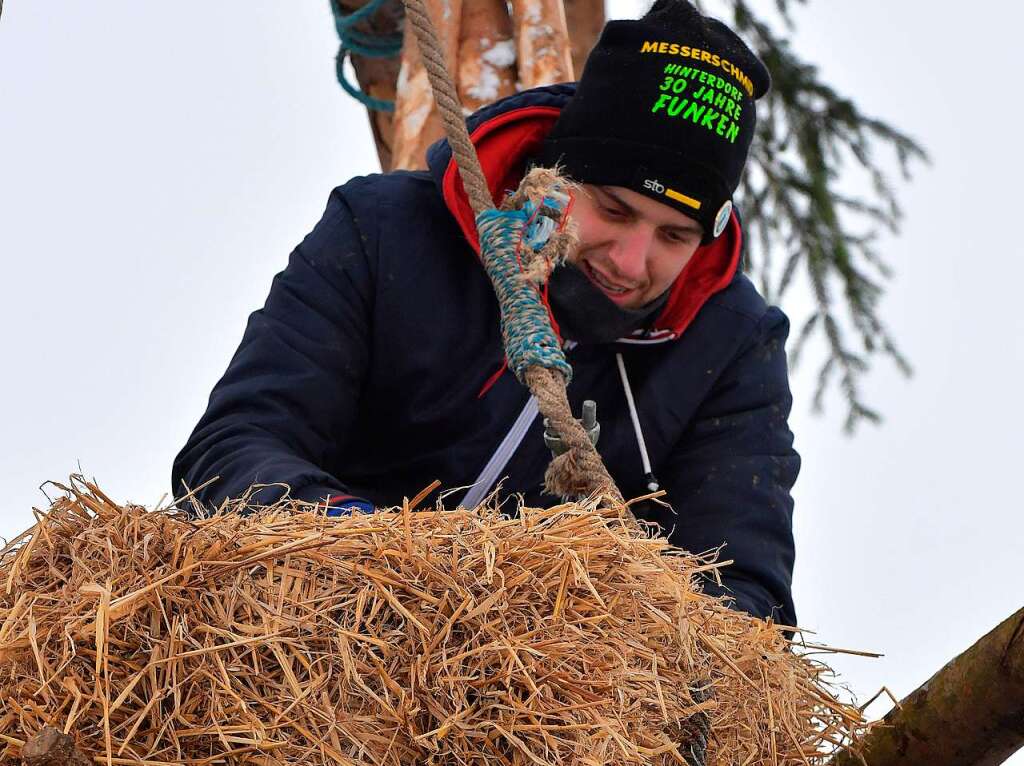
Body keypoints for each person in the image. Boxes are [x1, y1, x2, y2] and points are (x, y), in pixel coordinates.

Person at [172, 0, 800, 626]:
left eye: (675, 236)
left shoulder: (732, 347)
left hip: (549, 698)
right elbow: (236, 447)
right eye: (614, 210)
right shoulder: (385, 230)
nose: (633, 263)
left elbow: (743, 593)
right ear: (553, 173)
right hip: (305, 631)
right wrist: (376, 554)